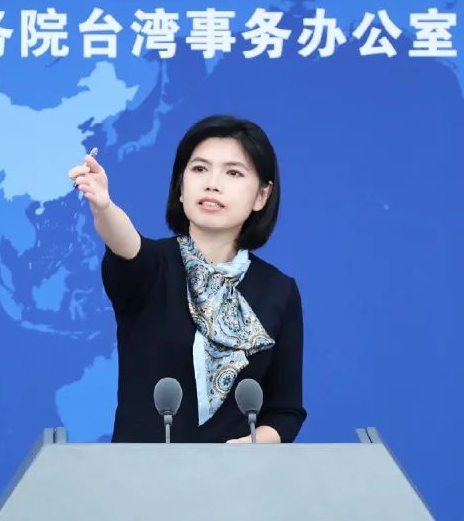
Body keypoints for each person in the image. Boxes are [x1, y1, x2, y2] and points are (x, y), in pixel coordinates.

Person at [67, 115, 307, 444]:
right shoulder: (152, 267)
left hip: (235, 473)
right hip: (138, 472)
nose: (212, 183)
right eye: (199, 169)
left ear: (261, 196)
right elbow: (124, 242)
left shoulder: (278, 290)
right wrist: (103, 207)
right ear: (181, 187)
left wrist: (249, 447)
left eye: (233, 172)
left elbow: (284, 410)